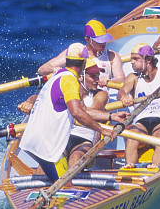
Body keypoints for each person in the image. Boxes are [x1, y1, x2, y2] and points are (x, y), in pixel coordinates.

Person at [18, 43, 121, 181]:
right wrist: (102, 130)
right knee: (65, 184)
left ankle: (42, 197)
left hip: (33, 141)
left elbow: (83, 110)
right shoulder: (69, 80)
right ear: (84, 64)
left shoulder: (57, 75)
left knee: (47, 179)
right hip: (48, 145)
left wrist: (111, 116)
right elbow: (77, 112)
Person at [117, 44, 160, 169]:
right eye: (131, 59)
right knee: (130, 135)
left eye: (136, 59)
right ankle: (129, 167)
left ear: (148, 60)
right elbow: (122, 91)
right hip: (140, 124)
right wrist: (124, 96)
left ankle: (154, 169)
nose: (131, 62)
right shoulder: (133, 78)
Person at [65, 57, 128, 167]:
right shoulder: (69, 89)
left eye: (98, 76)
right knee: (50, 160)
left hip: (85, 140)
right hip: (64, 137)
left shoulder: (101, 94)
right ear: (81, 77)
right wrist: (30, 101)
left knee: (76, 157)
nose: (97, 80)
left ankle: (72, 184)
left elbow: (86, 112)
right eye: (93, 76)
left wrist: (111, 116)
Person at [37, 19, 125, 87]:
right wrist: (53, 69)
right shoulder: (75, 53)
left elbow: (121, 80)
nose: (103, 43)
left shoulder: (112, 56)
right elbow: (41, 70)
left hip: (102, 100)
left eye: (104, 40)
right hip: (80, 100)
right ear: (87, 39)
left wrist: (109, 81)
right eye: (99, 41)